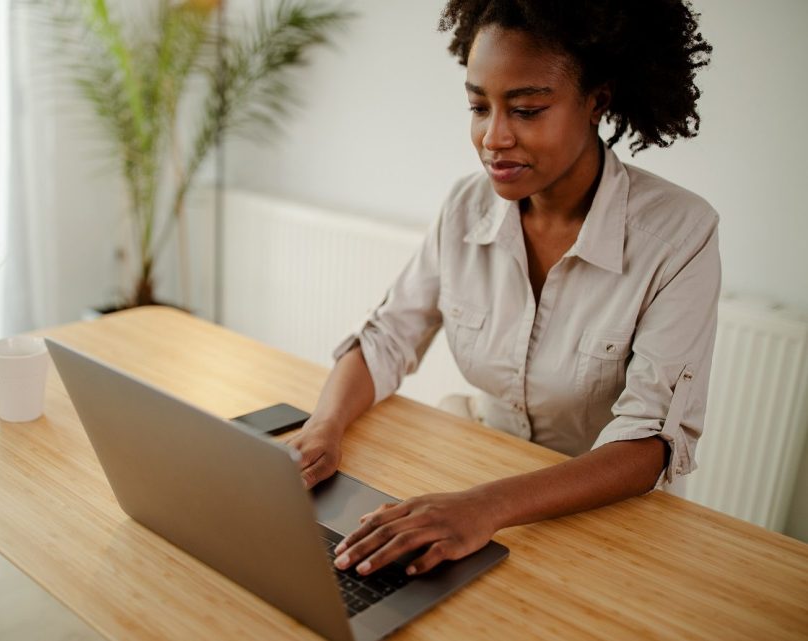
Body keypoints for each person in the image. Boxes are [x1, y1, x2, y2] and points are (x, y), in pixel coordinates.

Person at [288, 0, 720, 579]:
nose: (493, 137)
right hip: (479, 481)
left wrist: (484, 506)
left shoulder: (678, 234)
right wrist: (324, 428)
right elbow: (388, 335)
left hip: (604, 517)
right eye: (478, 106)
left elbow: (647, 442)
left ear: (597, 100)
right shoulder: (466, 207)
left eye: (527, 109)